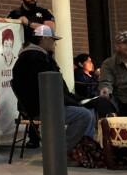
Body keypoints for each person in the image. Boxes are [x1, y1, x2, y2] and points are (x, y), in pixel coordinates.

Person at [10, 25, 95, 160]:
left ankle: (81, 150)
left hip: (47, 104)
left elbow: (57, 90)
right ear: (44, 39)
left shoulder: (39, 56)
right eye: (53, 39)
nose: (55, 43)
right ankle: (59, 154)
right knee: (83, 115)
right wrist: (76, 102)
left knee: (89, 109)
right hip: (41, 108)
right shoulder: (33, 58)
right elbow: (46, 91)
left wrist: (79, 100)